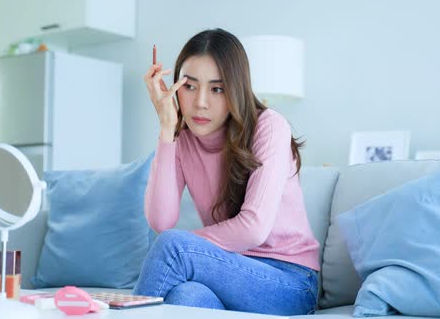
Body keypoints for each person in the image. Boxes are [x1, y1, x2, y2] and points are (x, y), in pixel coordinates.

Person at [133, 28, 320, 316]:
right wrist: (167, 128)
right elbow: (161, 220)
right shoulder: (182, 138)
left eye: (217, 89)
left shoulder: (269, 127)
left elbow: (253, 228)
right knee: (185, 296)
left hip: (289, 281)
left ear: (236, 90)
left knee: (173, 246)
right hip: (225, 269)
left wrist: (185, 247)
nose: (201, 102)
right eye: (190, 86)